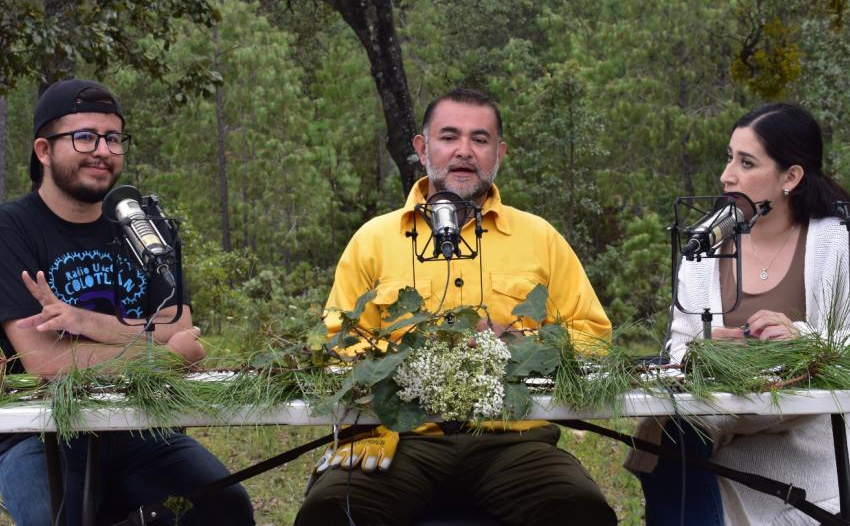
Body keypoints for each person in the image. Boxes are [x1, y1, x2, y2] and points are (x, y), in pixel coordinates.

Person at [296, 88, 617, 526]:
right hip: (399, 440)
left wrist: (523, 345)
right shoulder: (374, 239)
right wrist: (408, 362)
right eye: (449, 137)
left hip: (512, 442)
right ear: (422, 148)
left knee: (578, 510)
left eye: (480, 139)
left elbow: (593, 335)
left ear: (499, 152)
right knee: (332, 512)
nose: (464, 151)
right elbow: (335, 343)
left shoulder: (539, 237)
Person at [0, 79, 255, 526]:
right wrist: (161, 353)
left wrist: (83, 321)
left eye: (113, 138)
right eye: (84, 136)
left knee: (224, 506)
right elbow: (43, 360)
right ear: (44, 150)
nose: (103, 149)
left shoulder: (142, 226)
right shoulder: (11, 229)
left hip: (144, 427)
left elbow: (182, 328)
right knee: (50, 519)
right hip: (44, 433)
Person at [632, 102, 850, 525]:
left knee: (674, 455)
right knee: (672, 438)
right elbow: (680, 346)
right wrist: (709, 349)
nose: (727, 175)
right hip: (715, 425)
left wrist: (802, 338)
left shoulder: (836, 242)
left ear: (791, 177)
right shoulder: (704, 241)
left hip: (805, 437)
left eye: (746, 162)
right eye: (729, 157)